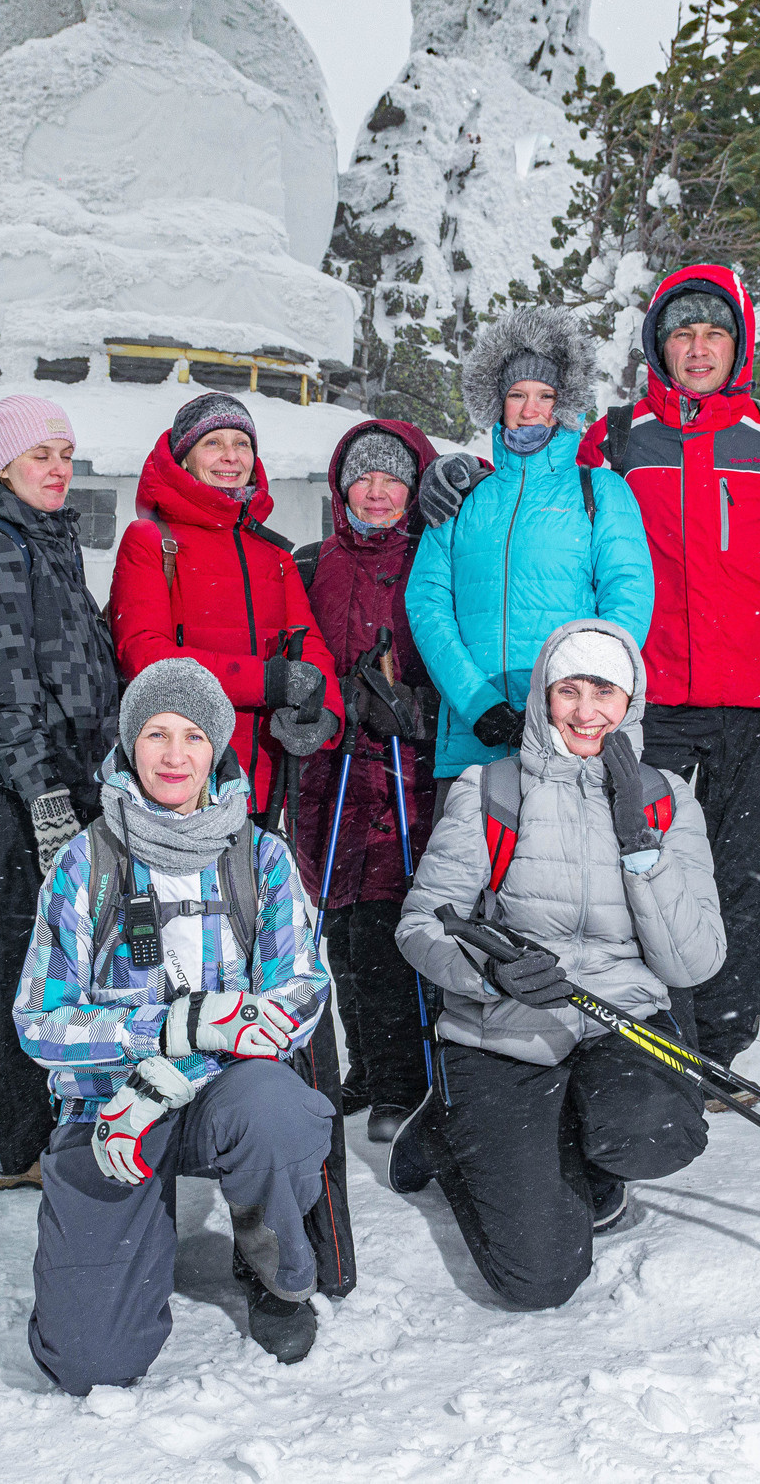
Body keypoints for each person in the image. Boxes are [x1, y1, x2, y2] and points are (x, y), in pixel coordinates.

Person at [18, 659, 337, 1393]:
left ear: (216, 749)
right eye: (156, 733)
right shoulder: (84, 861)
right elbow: (39, 1020)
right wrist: (166, 1034)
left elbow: (298, 993)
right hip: (110, 1109)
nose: (173, 754)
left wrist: (175, 1071)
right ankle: (128, 1252)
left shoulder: (261, 857)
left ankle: (273, 1271)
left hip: (225, 1099)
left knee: (277, 1109)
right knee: (90, 1363)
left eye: (193, 736)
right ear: (130, 744)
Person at [389, 620, 723, 1310]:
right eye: (567, 690)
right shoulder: (491, 788)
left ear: (629, 698)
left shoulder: (666, 799)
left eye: (604, 689)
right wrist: (488, 974)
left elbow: (692, 960)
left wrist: (641, 844)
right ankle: (456, 1137)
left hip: (617, 1021)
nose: (584, 710)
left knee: (655, 1132)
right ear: (544, 697)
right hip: (508, 1027)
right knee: (538, 1278)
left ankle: (581, 1143)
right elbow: (421, 924)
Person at [571, 265, 760, 1089]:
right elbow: (556, 534)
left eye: (715, 332)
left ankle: (718, 1046)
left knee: (750, 877)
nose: (699, 347)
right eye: (683, 332)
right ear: (658, 345)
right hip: (652, 703)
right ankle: (659, 1033)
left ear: (739, 342)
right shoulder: (612, 440)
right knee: (649, 867)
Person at [0, 395, 123, 1193]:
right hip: (3, 796)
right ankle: (12, 1145)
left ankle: (50, 1124)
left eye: (65, 454)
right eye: (39, 454)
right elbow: (0, 689)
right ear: (1, 463)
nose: (57, 468)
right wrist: (44, 796)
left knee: (58, 965)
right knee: (13, 962)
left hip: (61, 784)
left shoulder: (48, 541)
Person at [405, 308, 653, 788]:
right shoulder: (463, 498)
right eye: (516, 394)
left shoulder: (599, 492)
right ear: (496, 402)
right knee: (465, 862)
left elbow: (628, 599)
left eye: (545, 395)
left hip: (572, 740)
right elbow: (428, 603)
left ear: (565, 403)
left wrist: (581, 704)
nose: (529, 408)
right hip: (473, 739)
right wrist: (479, 705)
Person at [289, 418, 443, 1141]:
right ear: (341, 483)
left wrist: (413, 706)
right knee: (341, 930)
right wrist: (321, 697)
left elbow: (450, 649)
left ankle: (400, 1080)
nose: (377, 492)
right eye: (364, 476)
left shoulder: (432, 555)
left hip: (401, 774)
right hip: (328, 771)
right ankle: (361, 1067)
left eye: (392, 479)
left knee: (388, 928)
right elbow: (294, 646)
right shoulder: (313, 561)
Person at [107, 391, 343, 823]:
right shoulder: (152, 540)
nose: (231, 456)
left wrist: (325, 711)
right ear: (185, 457)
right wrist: (266, 683)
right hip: (181, 776)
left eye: (242, 443)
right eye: (213, 443)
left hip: (266, 782)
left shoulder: (272, 552)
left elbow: (310, 647)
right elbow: (144, 656)